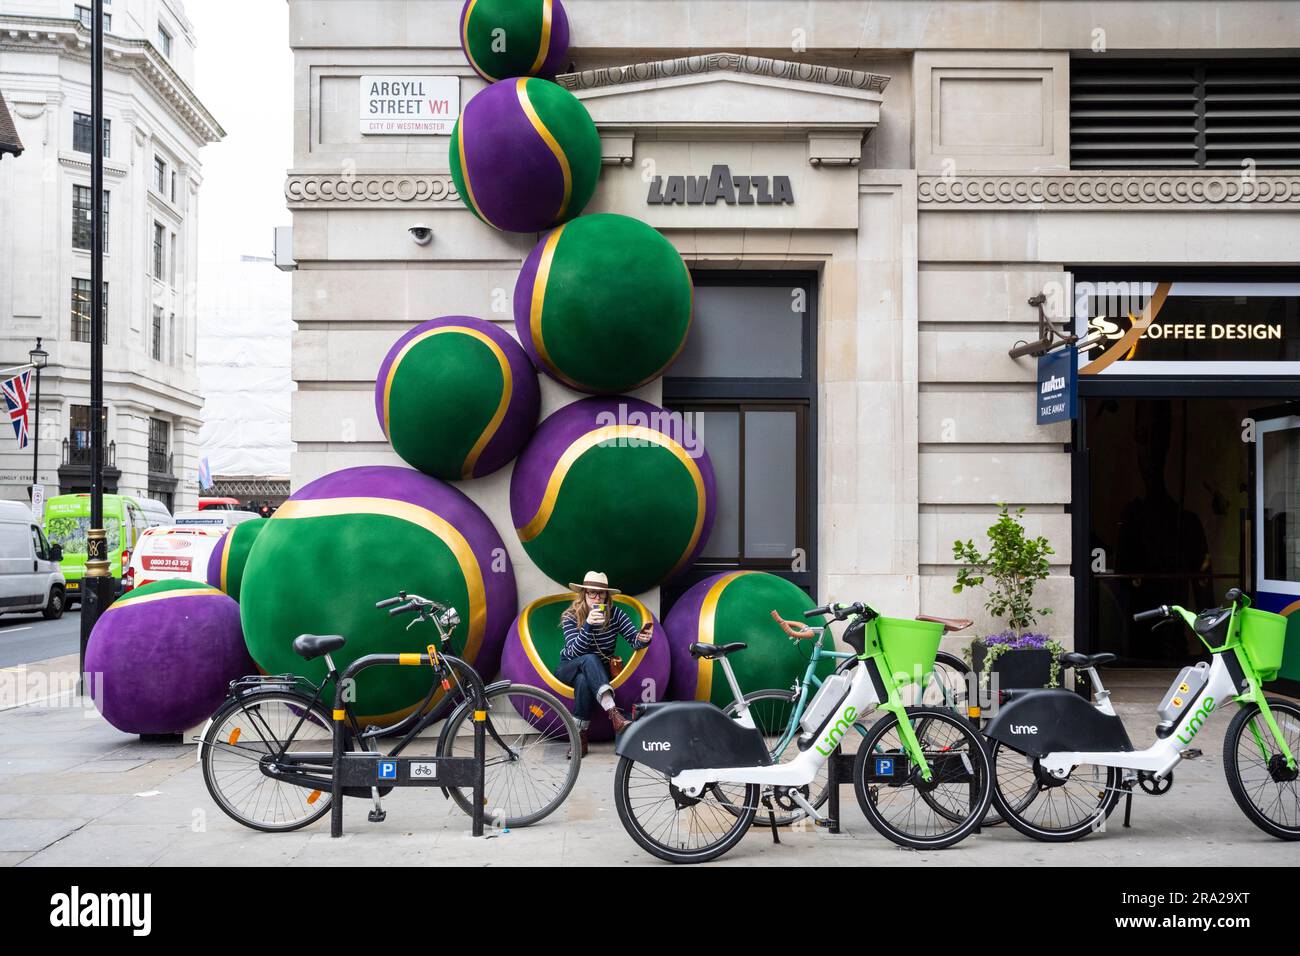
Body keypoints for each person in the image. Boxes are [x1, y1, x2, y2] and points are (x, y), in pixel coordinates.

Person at [556, 571, 653, 758]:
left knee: (584, 680)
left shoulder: (615, 614)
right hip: (569, 667)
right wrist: (588, 625)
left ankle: (579, 740)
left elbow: (634, 641)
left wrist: (643, 639)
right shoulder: (571, 615)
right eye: (592, 593)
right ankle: (614, 713)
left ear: (607, 596)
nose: (596, 597)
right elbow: (574, 651)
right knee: (589, 658)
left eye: (601, 593)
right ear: (583, 594)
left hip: (596, 674)